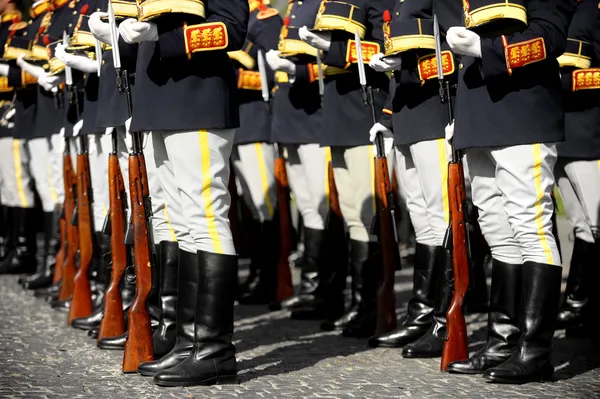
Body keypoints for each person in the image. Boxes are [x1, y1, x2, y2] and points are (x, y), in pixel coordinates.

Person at [443, 0, 576, 384]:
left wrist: (483, 50)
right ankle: (503, 342)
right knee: (497, 229)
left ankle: (535, 352)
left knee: (530, 225)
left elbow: (550, 36)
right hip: (476, 113)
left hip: (523, 108)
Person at [118, 0, 249, 386]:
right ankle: (189, 344)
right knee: (179, 222)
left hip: (198, 95)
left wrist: (162, 35)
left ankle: (215, 350)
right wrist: (116, 34)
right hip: (159, 100)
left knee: (205, 216)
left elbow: (229, 28)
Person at [366, 0, 453, 357]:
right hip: (406, 114)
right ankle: (421, 315)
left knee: (441, 215)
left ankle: (445, 320)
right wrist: (387, 118)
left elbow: (454, 49)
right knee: (422, 220)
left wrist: (412, 67)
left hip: (435, 109)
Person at [553, 0, 600, 336]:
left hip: (591, 132)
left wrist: (554, 81)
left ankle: (580, 303)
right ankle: (579, 303)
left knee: (597, 223)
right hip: (560, 133)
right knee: (581, 224)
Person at [233, 0, 281, 305]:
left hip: (256, 123)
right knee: (248, 205)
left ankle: (270, 279)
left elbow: (271, 77)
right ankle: (255, 275)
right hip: (234, 126)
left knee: (265, 204)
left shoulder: (264, 19)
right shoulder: (233, 15)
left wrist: (230, 76)